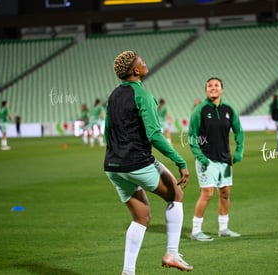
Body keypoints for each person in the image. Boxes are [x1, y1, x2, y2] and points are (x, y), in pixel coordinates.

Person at [104, 50, 193, 275]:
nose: (145, 63)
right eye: (141, 61)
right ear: (136, 70)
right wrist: (179, 160)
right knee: (176, 195)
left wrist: (117, 156)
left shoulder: (113, 96)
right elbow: (154, 135)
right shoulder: (143, 95)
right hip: (137, 163)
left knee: (141, 217)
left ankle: (128, 272)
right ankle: (172, 253)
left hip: (113, 166)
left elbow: (107, 132)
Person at [189, 77, 244, 242]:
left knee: (225, 193)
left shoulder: (229, 109)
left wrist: (239, 151)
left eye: (216, 85)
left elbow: (239, 131)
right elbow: (192, 137)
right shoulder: (200, 110)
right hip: (207, 159)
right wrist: (200, 157)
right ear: (206, 90)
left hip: (225, 160)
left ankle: (223, 228)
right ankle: (196, 231)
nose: (213, 88)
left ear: (222, 89)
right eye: (210, 86)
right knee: (207, 194)